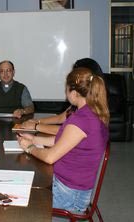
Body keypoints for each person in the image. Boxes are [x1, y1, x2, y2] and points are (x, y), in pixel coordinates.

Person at [17, 67, 110, 212]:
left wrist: (29, 148)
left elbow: (49, 157)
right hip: (73, 188)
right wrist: (34, 139)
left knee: (20, 203)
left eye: (66, 89)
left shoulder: (82, 119)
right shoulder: (91, 111)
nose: (66, 94)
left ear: (74, 92)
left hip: (70, 195)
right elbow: (62, 141)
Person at [20, 58, 104, 135]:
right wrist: (37, 121)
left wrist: (36, 126)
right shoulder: (81, 102)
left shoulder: (89, 110)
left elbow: (67, 131)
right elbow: (61, 118)